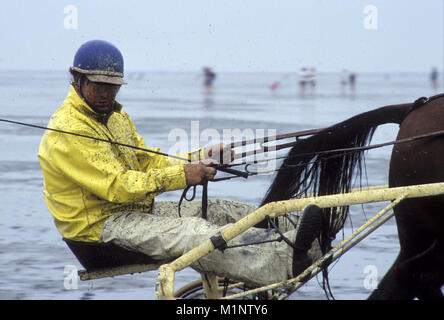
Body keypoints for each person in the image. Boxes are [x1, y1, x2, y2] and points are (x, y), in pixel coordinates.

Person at [38, 40, 322, 287]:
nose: (106, 93)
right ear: (77, 78)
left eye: (112, 86)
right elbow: (119, 186)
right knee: (194, 233)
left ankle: (303, 235)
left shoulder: (115, 117)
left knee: (221, 210)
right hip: (98, 230)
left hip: (134, 212)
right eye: (98, 85)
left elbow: (148, 160)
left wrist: (200, 157)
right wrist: (184, 176)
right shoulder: (67, 130)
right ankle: (285, 263)